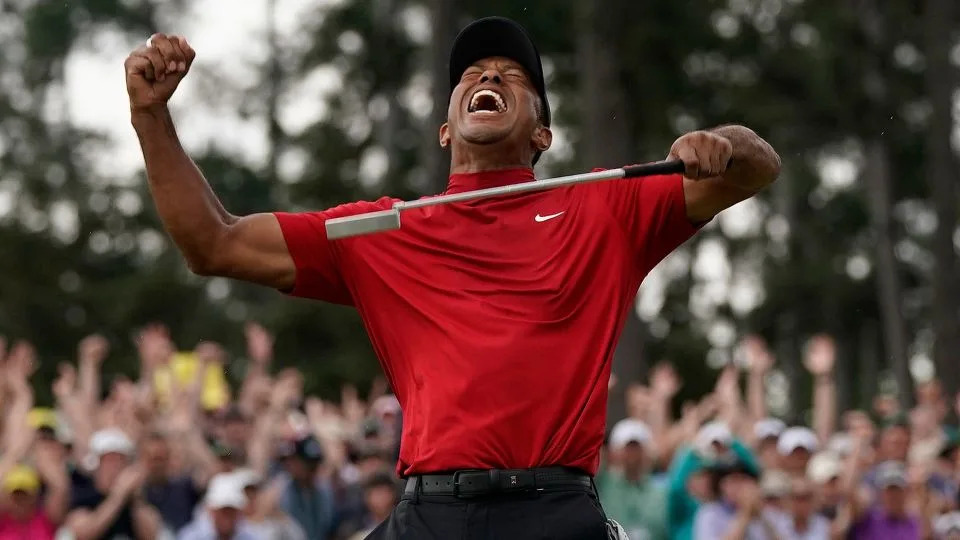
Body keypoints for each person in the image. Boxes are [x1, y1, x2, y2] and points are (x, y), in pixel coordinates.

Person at [123, 13, 780, 538]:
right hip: (430, 514)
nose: (487, 75)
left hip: (553, 512)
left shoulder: (605, 208)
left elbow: (758, 169)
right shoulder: (382, 230)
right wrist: (151, 118)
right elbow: (214, 243)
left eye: (511, 75)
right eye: (471, 72)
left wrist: (721, 145)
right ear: (445, 128)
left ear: (543, 134)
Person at [63, 429, 164, 540]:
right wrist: (118, 495)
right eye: (109, 461)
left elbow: (151, 534)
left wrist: (135, 499)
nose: (114, 468)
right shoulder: (84, 494)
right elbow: (84, 533)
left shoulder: (138, 499)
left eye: (120, 461)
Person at [598, 419, 668, 539]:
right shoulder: (603, 483)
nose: (632, 454)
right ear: (615, 452)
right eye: (627, 448)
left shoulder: (661, 491)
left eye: (637, 448)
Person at [177, 473, 257, 540]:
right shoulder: (191, 537)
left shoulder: (250, 536)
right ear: (211, 511)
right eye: (223, 511)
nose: (227, 517)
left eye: (232, 511)